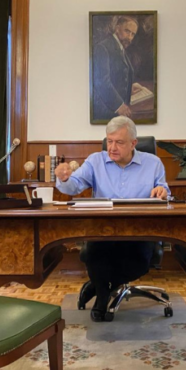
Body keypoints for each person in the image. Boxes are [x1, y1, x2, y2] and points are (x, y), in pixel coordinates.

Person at [55, 116, 170, 322]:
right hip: (103, 229)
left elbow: (163, 190)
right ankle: (102, 298)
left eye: (119, 142)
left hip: (140, 231)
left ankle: (97, 285)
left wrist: (162, 191)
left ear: (133, 143)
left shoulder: (153, 163)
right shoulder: (95, 161)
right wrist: (64, 179)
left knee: (140, 263)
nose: (112, 147)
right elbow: (74, 185)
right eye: (109, 141)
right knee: (94, 254)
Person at [92, 16, 140, 121]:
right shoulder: (103, 47)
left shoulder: (120, 45)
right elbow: (102, 82)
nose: (130, 37)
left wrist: (129, 86)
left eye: (133, 34)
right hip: (108, 110)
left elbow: (119, 73)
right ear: (117, 28)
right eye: (127, 31)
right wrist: (119, 106)